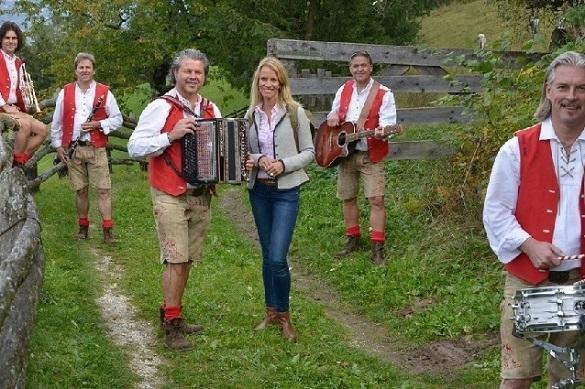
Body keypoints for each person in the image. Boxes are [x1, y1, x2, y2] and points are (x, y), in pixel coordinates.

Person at [483, 51, 585, 389]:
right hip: (527, 280)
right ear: (548, 91)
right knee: (517, 379)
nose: (571, 97)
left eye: (581, 88)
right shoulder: (517, 148)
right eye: (564, 87)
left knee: (567, 380)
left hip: (580, 282)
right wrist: (529, 244)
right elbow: (495, 210)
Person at [128, 48, 221, 351]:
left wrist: (234, 163)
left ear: (204, 76)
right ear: (176, 73)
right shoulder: (161, 107)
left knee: (187, 260)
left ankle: (172, 313)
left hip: (200, 195)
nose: (193, 76)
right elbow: (135, 147)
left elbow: (221, 149)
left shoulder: (211, 109)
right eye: (187, 71)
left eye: (198, 72)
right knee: (175, 260)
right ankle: (171, 325)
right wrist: (171, 135)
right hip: (169, 192)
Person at [245, 57, 314, 342]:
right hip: (259, 192)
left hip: (286, 192)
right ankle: (271, 311)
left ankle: (285, 315)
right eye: (264, 80)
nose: (268, 84)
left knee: (277, 256)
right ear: (258, 83)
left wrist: (283, 164)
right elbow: (245, 154)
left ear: (281, 83)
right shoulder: (251, 115)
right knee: (266, 253)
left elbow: (310, 152)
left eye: (273, 80)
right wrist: (257, 160)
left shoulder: (296, 113)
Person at [326, 51, 397, 265]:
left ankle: (377, 246)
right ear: (350, 68)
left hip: (370, 154)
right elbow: (335, 114)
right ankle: (353, 239)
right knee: (347, 196)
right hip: (346, 153)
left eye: (363, 65)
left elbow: (388, 124)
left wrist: (382, 131)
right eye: (355, 66)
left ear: (371, 67)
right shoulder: (344, 89)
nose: (359, 69)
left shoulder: (384, 93)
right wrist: (331, 116)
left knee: (376, 199)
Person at [51, 53, 122, 244]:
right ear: (76, 70)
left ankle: (107, 231)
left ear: (93, 70)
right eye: (81, 67)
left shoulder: (104, 91)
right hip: (74, 150)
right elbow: (56, 122)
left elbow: (117, 119)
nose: (84, 70)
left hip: (96, 147)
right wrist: (58, 145)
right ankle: (83, 228)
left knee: (103, 190)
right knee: (80, 190)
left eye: (88, 67)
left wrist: (98, 124)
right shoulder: (65, 92)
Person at [0, 21, 47, 166]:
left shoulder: (18, 62)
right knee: (25, 125)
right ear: (1, 39)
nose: (11, 41)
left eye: (14, 38)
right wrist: (5, 106)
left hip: (14, 108)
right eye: (7, 38)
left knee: (43, 130)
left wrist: (24, 91)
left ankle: (16, 160)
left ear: (18, 40)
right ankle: (13, 163)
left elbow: (16, 88)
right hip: (2, 107)